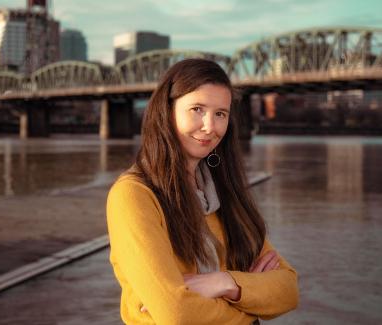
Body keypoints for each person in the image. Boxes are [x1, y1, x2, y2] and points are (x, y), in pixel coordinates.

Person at [106, 58, 299, 324]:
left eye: (220, 113)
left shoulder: (224, 192)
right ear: (167, 111)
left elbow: (289, 289)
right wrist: (252, 302)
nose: (210, 126)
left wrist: (226, 282)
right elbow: (177, 314)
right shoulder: (134, 196)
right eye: (197, 109)